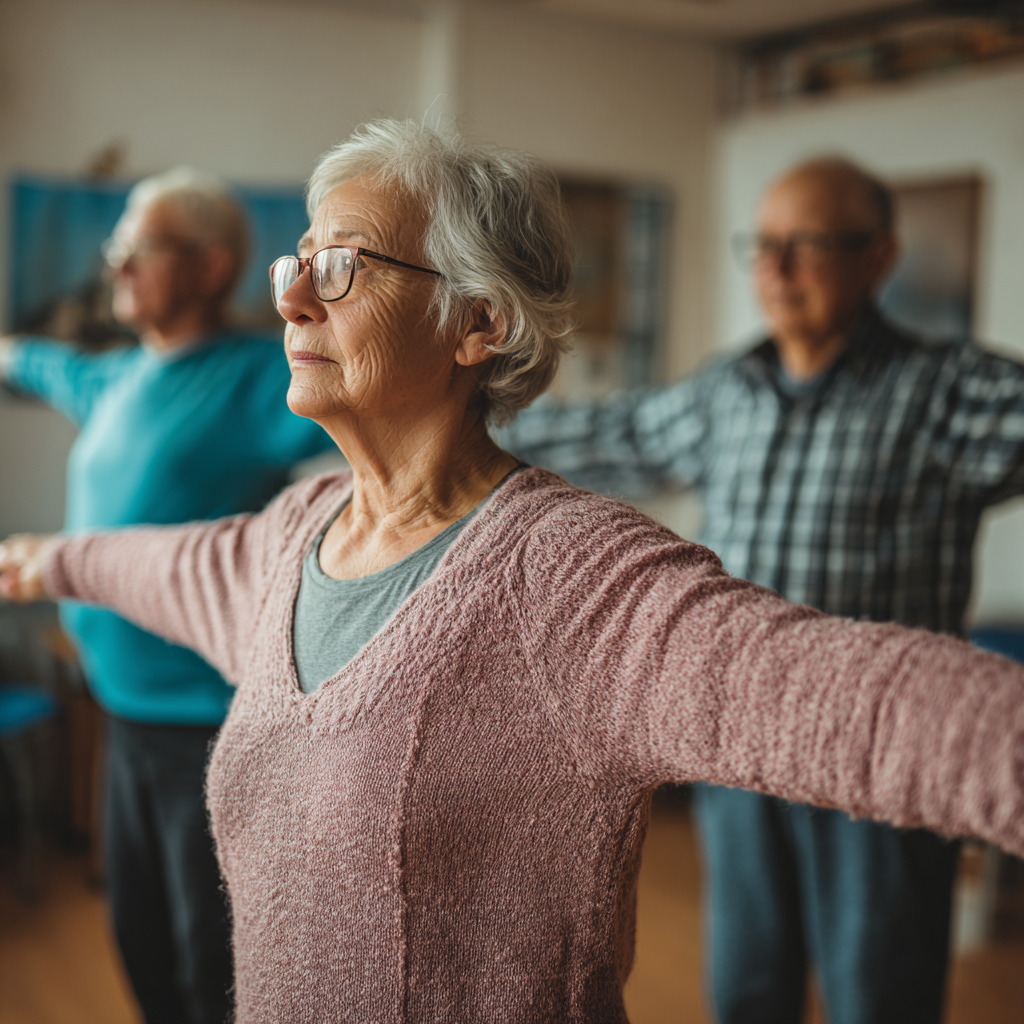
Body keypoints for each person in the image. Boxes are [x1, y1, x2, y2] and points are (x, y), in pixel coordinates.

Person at [1, 123, 1023, 1024]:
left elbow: (870, 702)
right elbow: (165, 560)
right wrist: (43, 559)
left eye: (344, 264)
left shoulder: (573, 582)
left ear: (478, 323)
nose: (296, 299)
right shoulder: (292, 532)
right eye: (296, 261)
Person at [499, 156, 1024, 1024]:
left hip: (883, 756)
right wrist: (455, 406)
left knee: (880, 998)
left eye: (806, 246)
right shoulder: (726, 390)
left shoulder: (944, 392)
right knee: (747, 990)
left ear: (877, 257)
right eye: (764, 245)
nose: (776, 269)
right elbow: (612, 430)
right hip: (737, 746)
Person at [0, 168, 334, 1024]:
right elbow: (44, 361)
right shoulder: (116, 382)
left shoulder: (260, 378)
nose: (116, 267)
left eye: (136, 250)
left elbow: (385, 406)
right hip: (122, 717)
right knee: (141, 949)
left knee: (213, 974)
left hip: (210, 728)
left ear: (211, 266)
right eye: (114, 250)